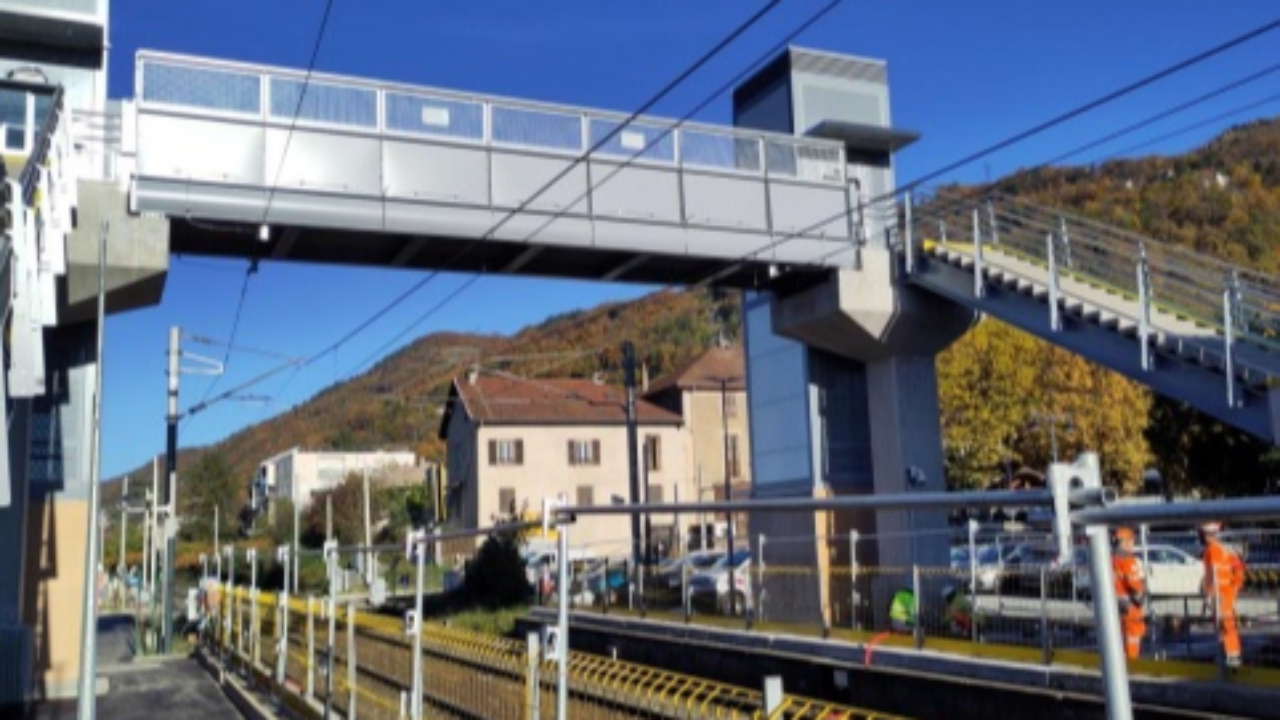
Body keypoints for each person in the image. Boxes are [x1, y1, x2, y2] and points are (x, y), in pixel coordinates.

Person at [1199, 522, 1246, 668]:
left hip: (1219, 594)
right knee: (1228, 626)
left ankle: (1228, 660)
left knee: (1223, 627)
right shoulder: (1227, 550)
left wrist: (1208, 595)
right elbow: (1239, 572)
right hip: (1227, 593)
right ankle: (1233, 658)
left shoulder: (1211, 550)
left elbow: (1213, 573)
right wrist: (1234, 590)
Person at [1112, 527, 1147, 661]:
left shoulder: (1111, 560)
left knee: (1118, 650)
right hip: (1130, 612)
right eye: (1132, 541)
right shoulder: (1128, 561)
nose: (1133, 545)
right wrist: (1143, 588)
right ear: (1125, 542)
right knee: (1132, 652)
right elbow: (1137, 591)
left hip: (1116, 609)